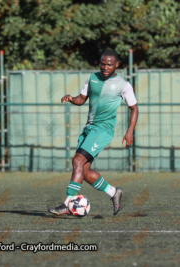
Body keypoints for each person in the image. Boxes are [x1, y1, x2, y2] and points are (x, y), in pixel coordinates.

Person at [48, 49, 139, 216]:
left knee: (77, 161)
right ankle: (114, 192)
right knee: (84, 170)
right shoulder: (92, 78)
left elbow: (134, 109)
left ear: (117, 65)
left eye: (109, 65)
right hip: (89, 128)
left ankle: (68, 202)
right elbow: (81, 99)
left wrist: (130, 132)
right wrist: (71, 98)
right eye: (103, 64)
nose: (105, 67)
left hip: (103, 130)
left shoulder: (124, 85)